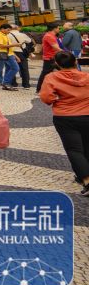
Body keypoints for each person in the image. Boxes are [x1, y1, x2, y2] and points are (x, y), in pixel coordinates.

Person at [39, 52, 89, 195]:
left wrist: (58, 99)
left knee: (74, 149)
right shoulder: (86, 76)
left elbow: (46, 98)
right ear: (75, 62)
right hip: (87, 114)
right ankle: (82, 175)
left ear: (58, 64)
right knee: (87, 146)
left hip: (65, 117)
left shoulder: (52, 77)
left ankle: (86, 179)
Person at [38, 23, 65, 93]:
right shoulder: (49, 36)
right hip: (50, 58)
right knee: (45, 74)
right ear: (54, 28)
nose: (59, 30)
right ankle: (39, 89)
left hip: (53, 58)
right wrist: (66, 53)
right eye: (58, 28)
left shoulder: (52, 36)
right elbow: (56, 48)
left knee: (64, 71)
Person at [0, 23, 19, 91]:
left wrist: (15, 56)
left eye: (10, 30)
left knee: (10, 68)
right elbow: (1, 46)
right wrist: (15, 45)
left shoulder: (5, 35)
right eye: (8, 30)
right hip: (5, 54)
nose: (9, 31)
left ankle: (6, 84)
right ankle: (5, 83)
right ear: (2, 29)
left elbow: (9, 47)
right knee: (15, 68)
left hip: (9, 54)